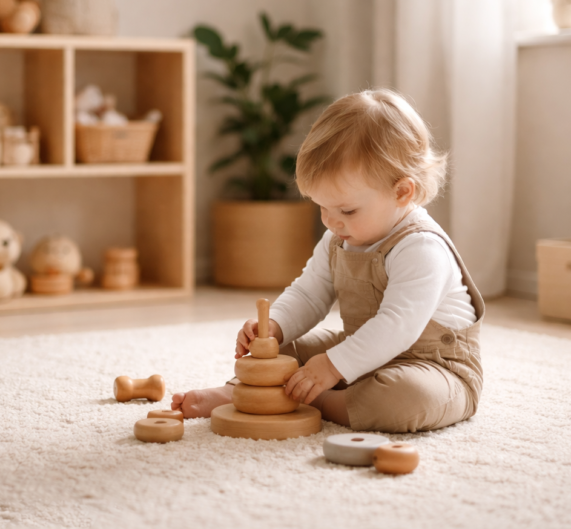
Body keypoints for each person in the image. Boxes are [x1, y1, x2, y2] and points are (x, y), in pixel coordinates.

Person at [172, 89, 485, 433]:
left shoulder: (421, 248)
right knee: (282, 349)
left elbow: (396, 327)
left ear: (402, 192)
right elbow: (309, 294)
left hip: (433, 368)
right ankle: (240, 392)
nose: (331, 222)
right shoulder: (341, 237)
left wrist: (333, 368)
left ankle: (305, 399)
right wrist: (274, 326)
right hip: (362, 351)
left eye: (347, 210)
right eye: (322, 207)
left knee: (403, 398)